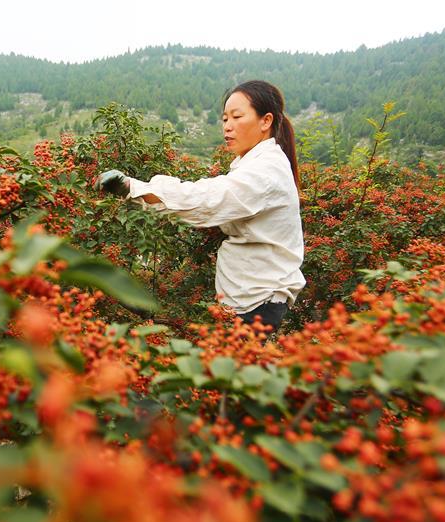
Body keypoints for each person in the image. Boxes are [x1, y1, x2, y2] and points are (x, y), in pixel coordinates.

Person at [95, 80, 305, 333]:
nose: (227, 126)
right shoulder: (253, 163)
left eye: (237, 117)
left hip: (256, 303)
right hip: (247, 299)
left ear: (265, 121)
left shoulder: (265, 170)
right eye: (225, 118)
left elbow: (207, 199)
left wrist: (133, 187)